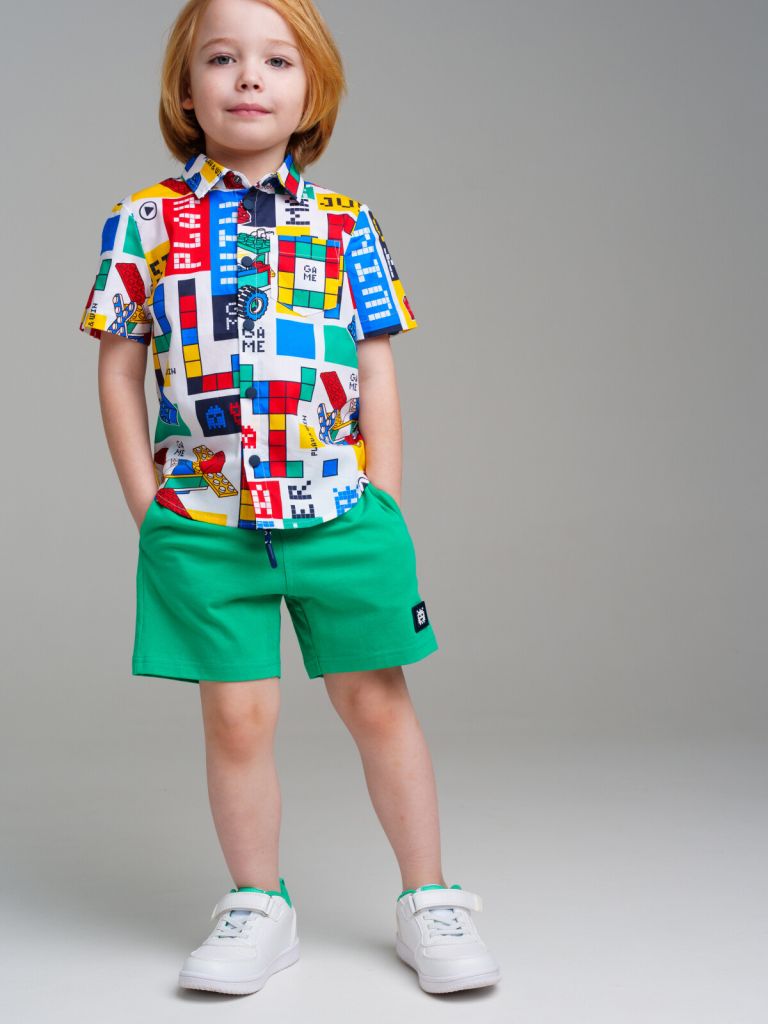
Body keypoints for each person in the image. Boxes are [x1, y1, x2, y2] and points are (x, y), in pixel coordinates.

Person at [77, 0, 500, 998]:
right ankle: (257, 903)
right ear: (187, 91)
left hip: (338, 510)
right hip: (204, 520)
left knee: (376, 701)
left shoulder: (347, 223)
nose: (249, 78)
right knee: (236, 717)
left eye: (277, 60)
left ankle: (428, 894)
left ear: (313, 91)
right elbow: (118, 369)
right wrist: (147, 505)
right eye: (222, 58)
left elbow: (376, 365)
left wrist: (382, 499)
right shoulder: (144, 222)